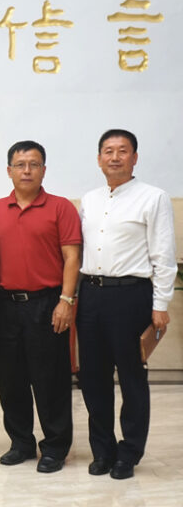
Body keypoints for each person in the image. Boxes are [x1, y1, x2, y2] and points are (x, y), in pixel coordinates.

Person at [77, 129, 176, 480]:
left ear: (135, 158)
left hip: (131, 296)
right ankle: (103, 450)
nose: (115, 157)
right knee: (93, 378)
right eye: (108, 151)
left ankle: (129, 452)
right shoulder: (89, 199)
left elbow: (163, 256)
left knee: (132, 376)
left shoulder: (153, 197)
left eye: (122, 151)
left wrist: (160, 304)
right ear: (99, 158)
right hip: (91, 294)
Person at [0, 140, 81, 474]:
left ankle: (55, 446)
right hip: (8, 304)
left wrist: (66, 301)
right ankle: (21, 442)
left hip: (48, 303)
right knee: (11, 380)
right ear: (9, 170)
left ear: (43, 169)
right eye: (20, 164)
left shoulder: (60, 208)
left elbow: (72, 257)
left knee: (51, 379)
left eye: (34, 164)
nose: (26, 170)